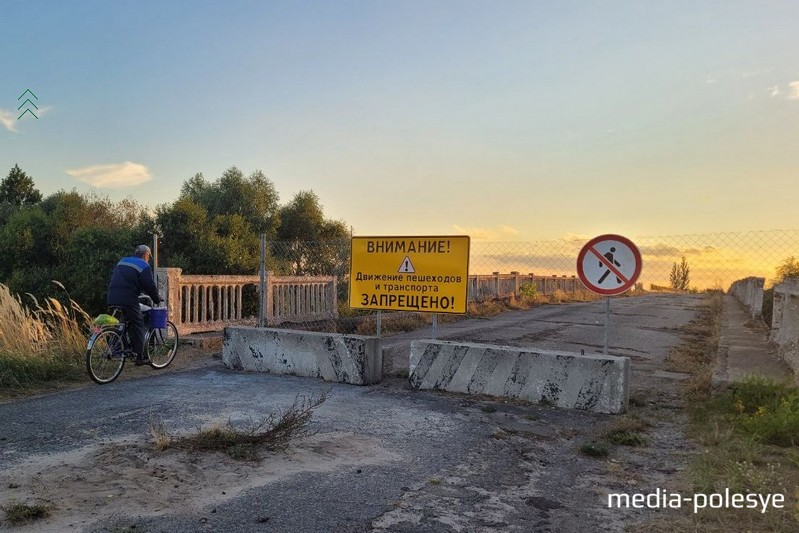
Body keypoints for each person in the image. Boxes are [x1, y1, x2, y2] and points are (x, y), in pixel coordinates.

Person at [107, 245, 162, 365]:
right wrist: (157, 299)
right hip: (128, 298)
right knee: (138, 323)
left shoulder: (123, 261)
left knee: (125, 321)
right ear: (146, 255)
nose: (148, 259)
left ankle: (119, 348)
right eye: (148, 257)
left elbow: (122, 279)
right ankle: (140, 357)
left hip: (112, 295)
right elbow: (149, 286)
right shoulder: (144, 265)